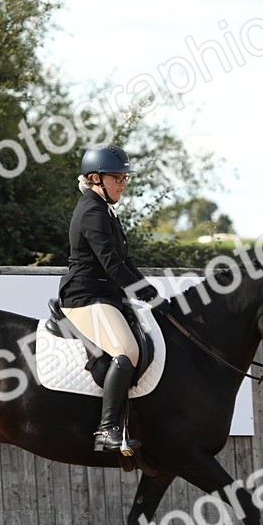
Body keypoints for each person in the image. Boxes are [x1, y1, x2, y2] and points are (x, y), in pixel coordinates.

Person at [58, 143, 160, 452]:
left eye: (124, 178)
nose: (123, 184)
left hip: (105, 294)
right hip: (85, 296)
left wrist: (150, 291)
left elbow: (124, 261)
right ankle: (106, 429)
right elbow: (112, 265)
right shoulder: (92, 212)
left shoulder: (105, 210)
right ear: (95, 178)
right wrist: (143, 293)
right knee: (126, 351)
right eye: (117, 178)